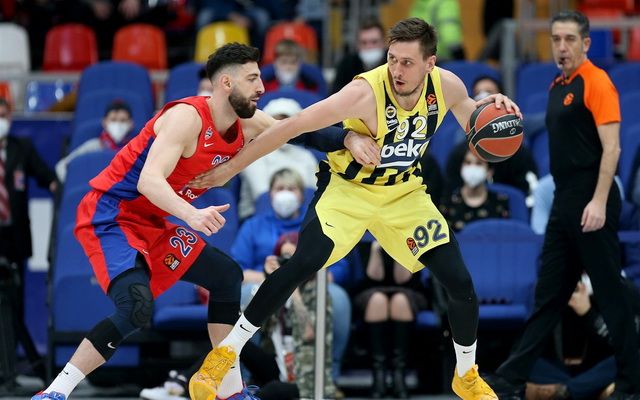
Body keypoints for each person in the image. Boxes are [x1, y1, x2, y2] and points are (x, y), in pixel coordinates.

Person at [188, 17, 524, 400]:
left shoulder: (447, 86)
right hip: (349, 190)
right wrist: (229, 169)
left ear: (430, 63)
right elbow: (293, 126)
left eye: (407, 62)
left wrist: (496, 110)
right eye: (392, 59)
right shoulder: (364, 91)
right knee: (301, 264)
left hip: (403, 194)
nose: (397, 70)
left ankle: (466, 376)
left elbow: (474, 122)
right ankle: (225, 354)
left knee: (460, 282)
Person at [32, 43, 375, 400]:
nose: (262, 87)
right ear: (226, 83)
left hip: (152, 218)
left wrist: (347, 138)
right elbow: (149, 181)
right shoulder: (187, 118)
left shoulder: (248, 121)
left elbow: (296, 130)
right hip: (112, 214)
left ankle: (230, 391)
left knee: (226, 276)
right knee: (136, 307)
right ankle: (54, 392)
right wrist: (192, 214)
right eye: (252, 79)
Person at [485, 11, 640, 399]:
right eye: (556, 39)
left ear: (585, 43)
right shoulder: (558, 86)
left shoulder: (597, 82)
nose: (562, 46)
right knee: (549, 296)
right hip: (563, 200)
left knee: (610, 293)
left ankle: (630, 381)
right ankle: (510, 379)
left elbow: (613, 149)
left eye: (570, 39)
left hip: (592, 198)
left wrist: (599, 202)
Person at [231, 168, 352, 382]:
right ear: (270, 194)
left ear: (302, 195)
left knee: (338, 297)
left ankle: (329, 375)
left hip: (311, 283)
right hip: (264, 281)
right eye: (280, 188)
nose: (285, 193)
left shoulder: (320, 223)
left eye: (291, 188)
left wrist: (300, 279)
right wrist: (274, 278)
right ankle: (244, 377)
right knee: (247, 293)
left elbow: (339, 269)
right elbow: (237, 269)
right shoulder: (253, 226)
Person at [0, 97, 57, 383]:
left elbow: (47, 176)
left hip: (14, 238)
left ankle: (9, 367)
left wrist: (58, 184)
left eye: (3, 115)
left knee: (14, 302)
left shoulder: (21, 147)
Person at [525, 274, 640, 400]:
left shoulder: (624, 289)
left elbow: (625, 345)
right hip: (564, 373)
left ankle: (567, 391)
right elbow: (533, 341)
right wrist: (553, 305)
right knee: (524, 361)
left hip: (601, 369)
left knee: (631, 358)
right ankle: (579, 391)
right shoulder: (549, 286)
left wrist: (588, 313)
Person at [354, 240, 429, 398]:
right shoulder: (366, 241)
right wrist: (376, 250)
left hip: (407, 290)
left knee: (400, 301)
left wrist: (398, 248)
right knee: (377, 301)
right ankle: (379, 375)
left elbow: (403, 279)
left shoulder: (411, 241)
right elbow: (374, 278)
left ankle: (399, 374)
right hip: (372, 290)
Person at [236, 98, 318, 218]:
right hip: (258, 219)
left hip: (301, 216)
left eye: (286, 122)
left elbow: (313, 192)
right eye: (276, 121)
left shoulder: (306, 156)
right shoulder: (253, 153)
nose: (281, 127)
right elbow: (262, 195)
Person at [55, 100, 134, 183]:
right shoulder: (93, 146)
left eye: (123, 120)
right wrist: (73, 185)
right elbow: (61, 166)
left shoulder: (134, 150)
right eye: (113, 120)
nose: (118, 124)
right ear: (105, 122)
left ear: (131, 124)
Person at [440, 148, 510, 232]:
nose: (472, 168)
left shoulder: (499, 202)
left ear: (489, 172)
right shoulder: (448, 202)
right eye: (468, 162)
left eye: (479, 163)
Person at [331, 18, 387, 94]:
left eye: (374, 42)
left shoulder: (394, 63)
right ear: (357, 45)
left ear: (384, 43)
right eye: (364, 43)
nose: (369, 47)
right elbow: (336, 94)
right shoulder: (347, 64)